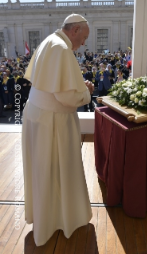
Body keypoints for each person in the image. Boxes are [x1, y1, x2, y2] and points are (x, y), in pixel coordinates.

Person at [21, 14, 94, 246]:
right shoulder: (62, 49)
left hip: (38, 115)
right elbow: (66, 96)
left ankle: (49, 217)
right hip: (52, 123)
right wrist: (86, 91)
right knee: (53, 171)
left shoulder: (50, 41)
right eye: (83, 37)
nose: (83, 43)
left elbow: (55, 84)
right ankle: (58, 219)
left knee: (43, 170)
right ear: (74, 30)